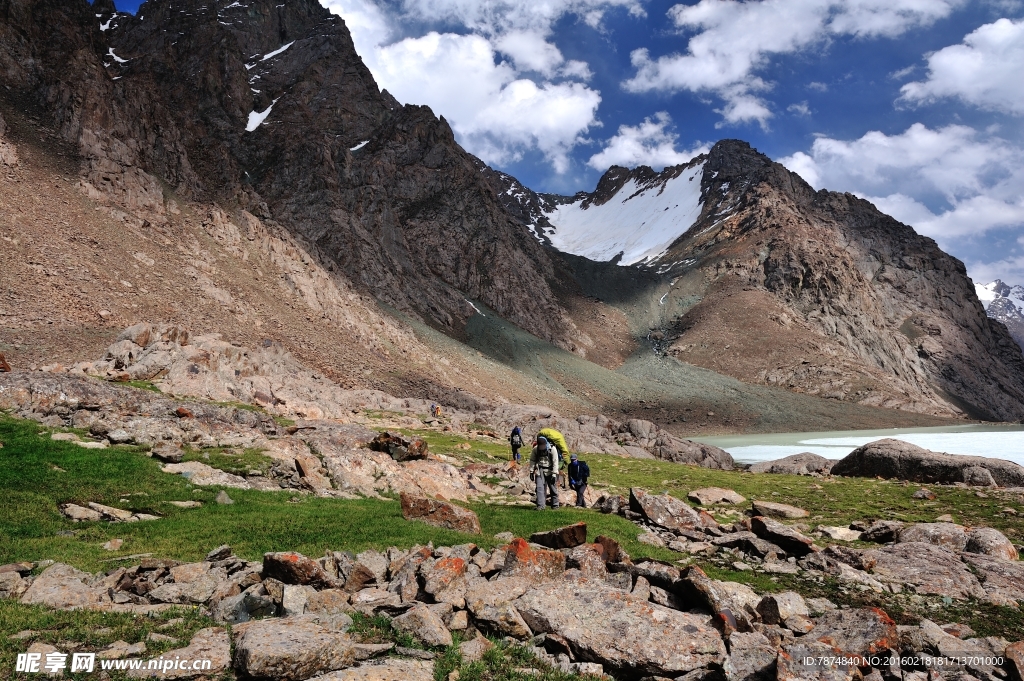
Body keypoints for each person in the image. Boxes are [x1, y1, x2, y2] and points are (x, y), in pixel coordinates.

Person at [529, 435, 560, 510]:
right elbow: (532, 460)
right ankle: (540, 506)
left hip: (551, 471)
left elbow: (555, 462)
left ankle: (555, 505)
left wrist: (554, 474)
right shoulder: (535, 449)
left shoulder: (552, 449)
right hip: (540, 471)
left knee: (553, 489)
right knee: (539, 488)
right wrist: (531, 471)